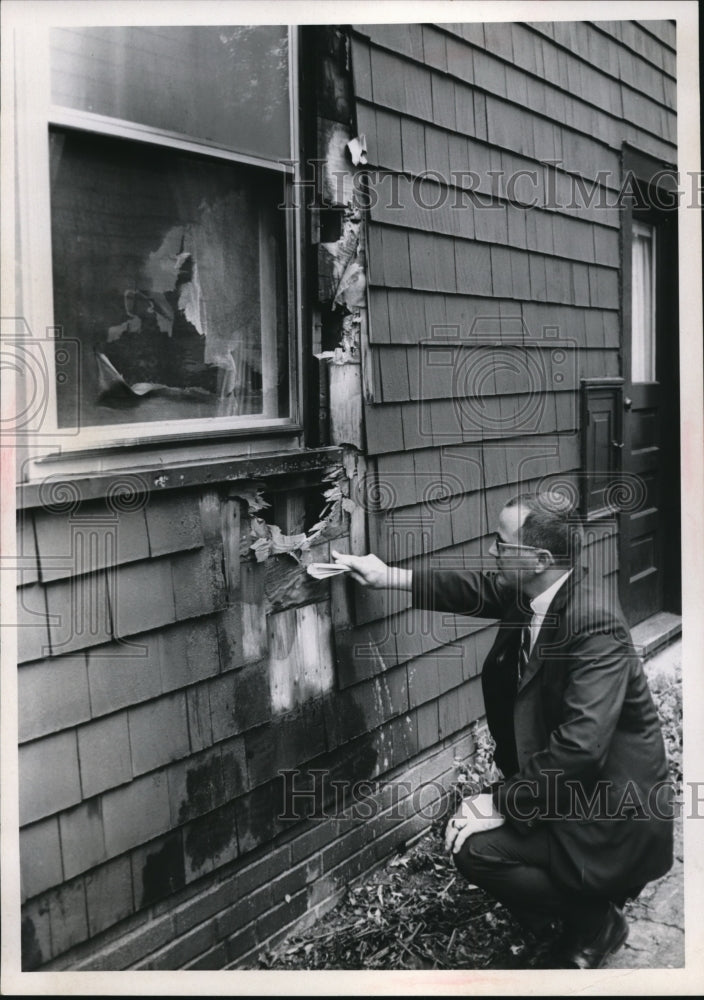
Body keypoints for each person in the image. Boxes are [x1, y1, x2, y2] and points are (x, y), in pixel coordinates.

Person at [331, 491, 673, 969]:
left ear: (538, 559)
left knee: (476, 848)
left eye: (500, 543)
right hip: (574, 790)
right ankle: (568, 905)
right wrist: (388, 576)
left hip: (610, 811)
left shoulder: (592, 623)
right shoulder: (539, 590)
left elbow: (581, 750)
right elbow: (474, 589)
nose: (490, 551)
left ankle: (595, 921)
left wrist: (498, 801)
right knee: (467, 832)